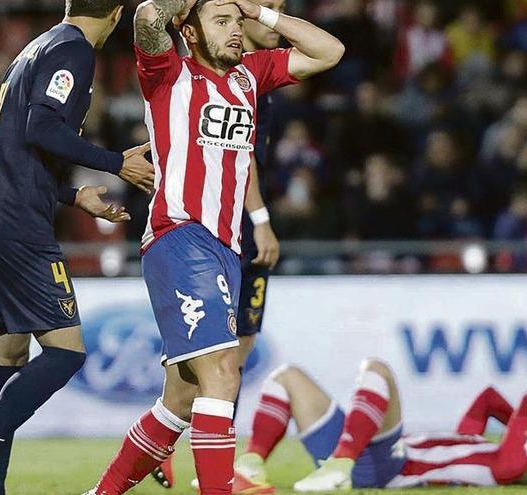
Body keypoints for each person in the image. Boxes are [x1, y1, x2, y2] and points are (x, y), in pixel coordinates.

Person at [85, 0, 343, 494]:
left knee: (181, 402)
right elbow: (144, 17)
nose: (234, 30)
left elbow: (329, 51)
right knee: (224, 371)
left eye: (235, 21)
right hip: (179, 235)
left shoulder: (250, 75)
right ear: (191, 33)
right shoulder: (167, 77)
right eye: (220, 22)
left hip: (225, 248)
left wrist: (258, 13)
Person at [0, 0, 156, 493]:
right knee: (66, 354)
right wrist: (116, 162)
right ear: (116, 15)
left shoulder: (35, 48)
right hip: (16, 224)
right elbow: (43, 127)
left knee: (6, 356)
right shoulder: (75, 50)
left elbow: (15, 147)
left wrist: (75, 195)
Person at [235, 359, 527, 491]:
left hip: (384, 467)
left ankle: (340, 464)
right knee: (287, 377)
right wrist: (519, 431)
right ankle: (251, 466)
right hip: (368, 455)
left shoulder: (507, 466)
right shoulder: (474, 443)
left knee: (377, 370)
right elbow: (489, 399)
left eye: (525, 441)